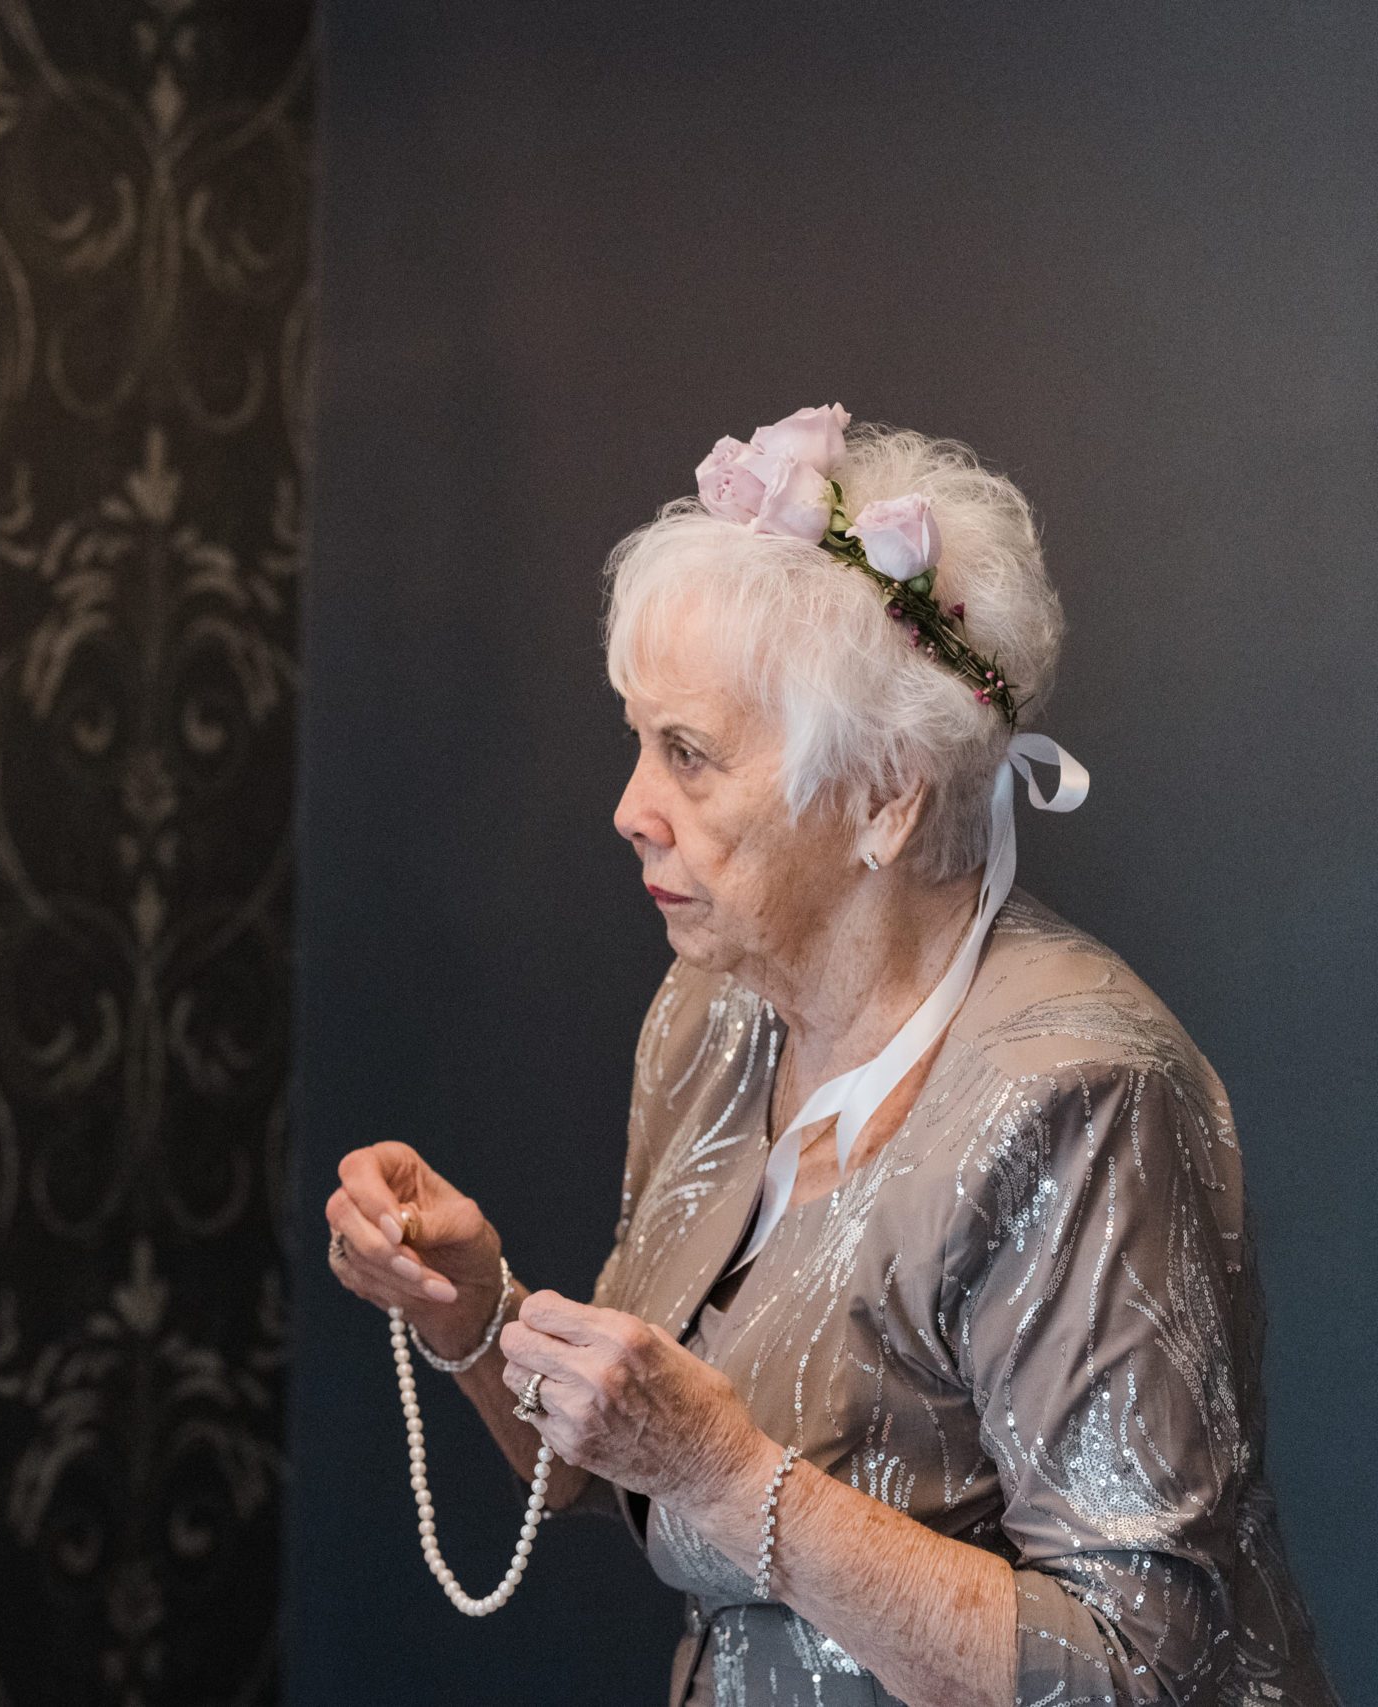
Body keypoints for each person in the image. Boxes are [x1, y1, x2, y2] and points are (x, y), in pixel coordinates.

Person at [325, 409, 1337, 1706]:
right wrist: (476, 1317)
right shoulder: (714, 1016)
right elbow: (645, 1460)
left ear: (883, 796)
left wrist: (730, 1477)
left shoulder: (1080, 1099)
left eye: (687, 754)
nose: (630, 808)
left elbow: (1139, 1672)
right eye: (638, 741)